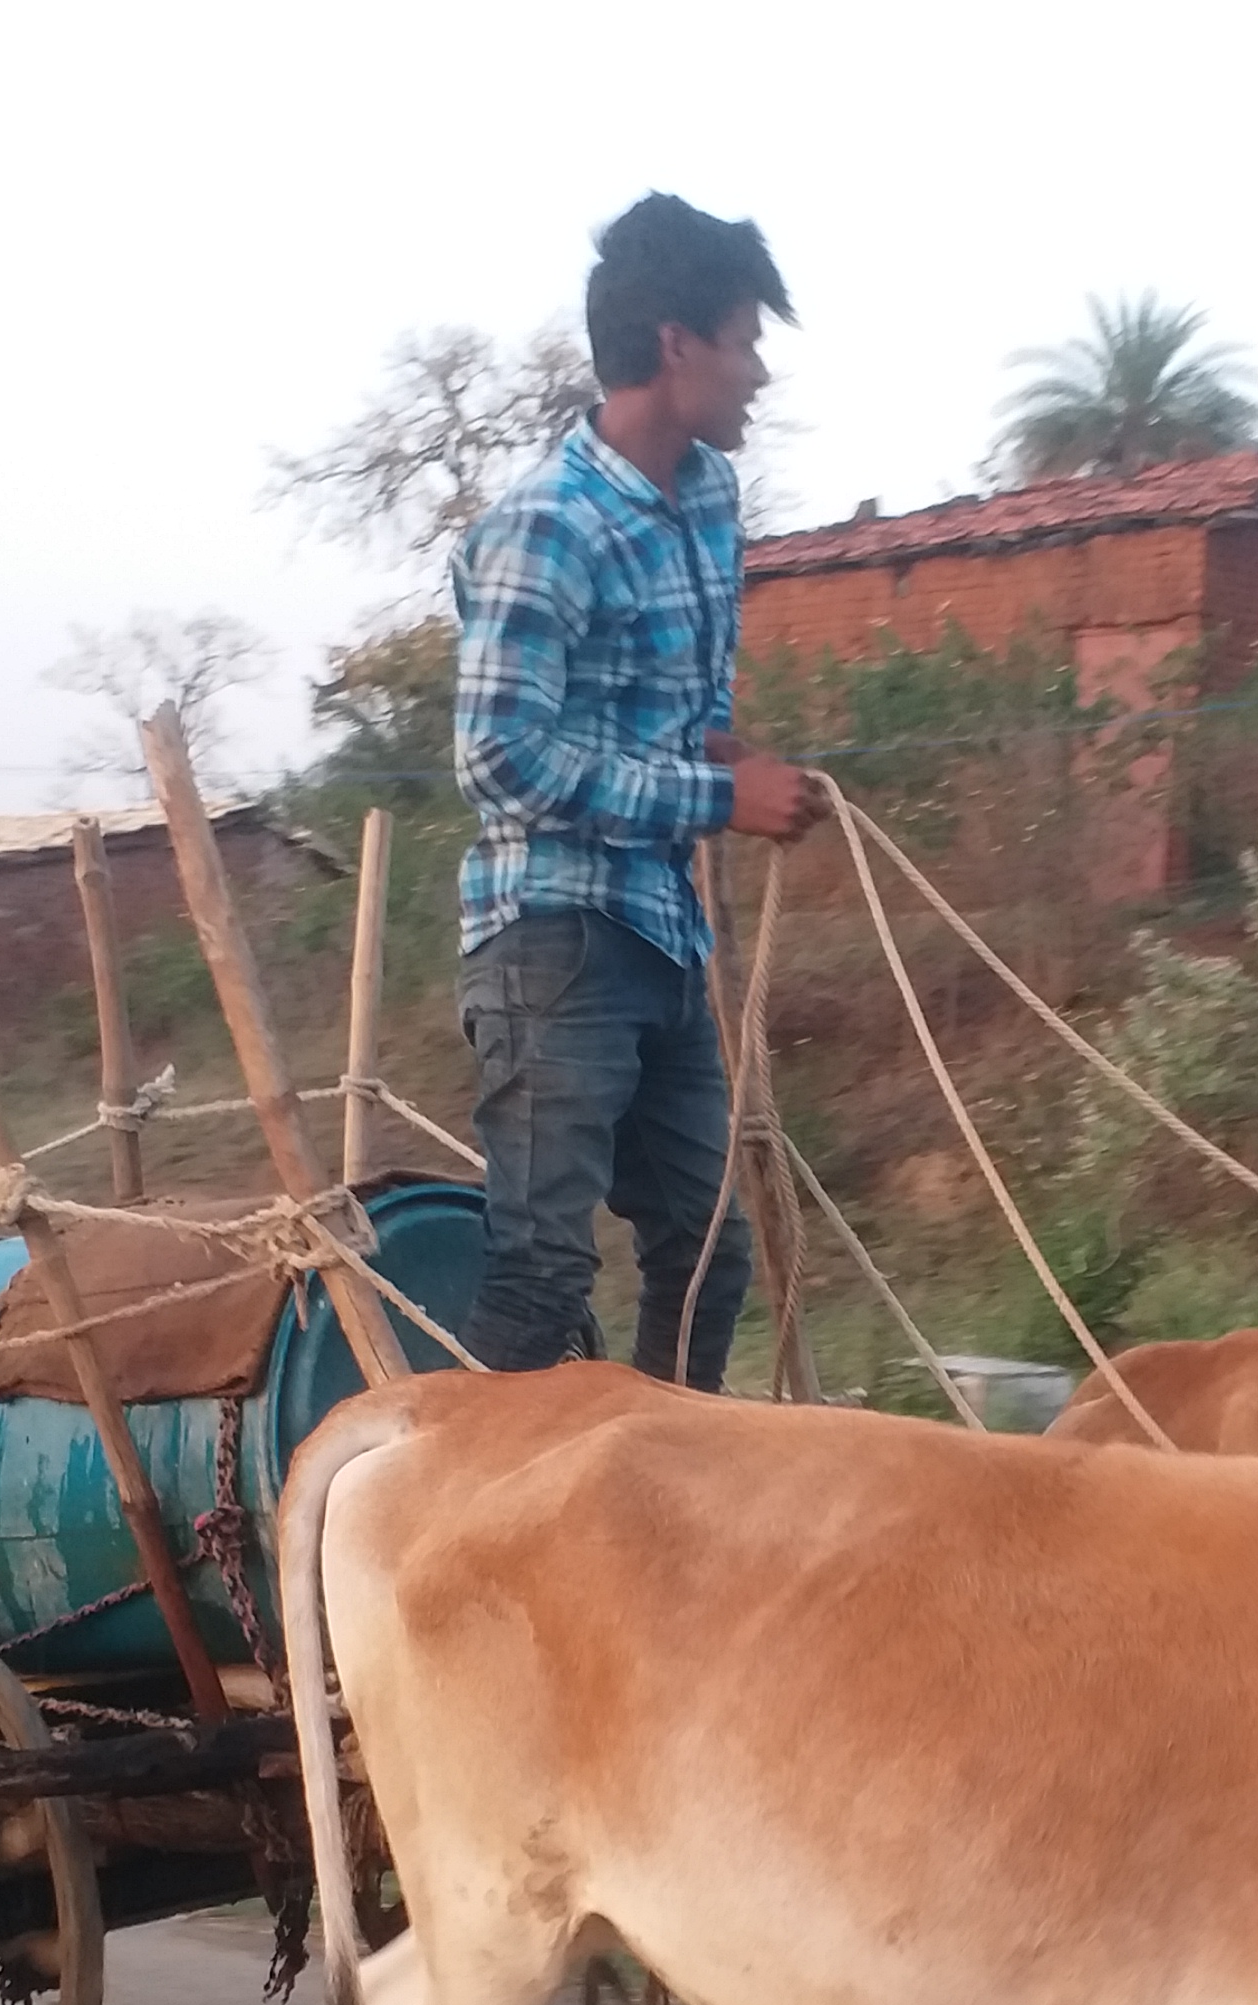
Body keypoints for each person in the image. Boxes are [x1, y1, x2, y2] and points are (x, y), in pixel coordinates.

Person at [446, 192, 827, 1388]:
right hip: (555, 938)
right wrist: (719, 802)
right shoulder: (542, 530)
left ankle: (662, 1518)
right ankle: (465, 1537)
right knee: (543, 1274)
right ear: (678, 346)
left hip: (663, 935)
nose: (759, 372)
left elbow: (665, 721)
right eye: (746, 339)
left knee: (708, 1252)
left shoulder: (707, 501)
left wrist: (734, 764)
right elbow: (500, 760)